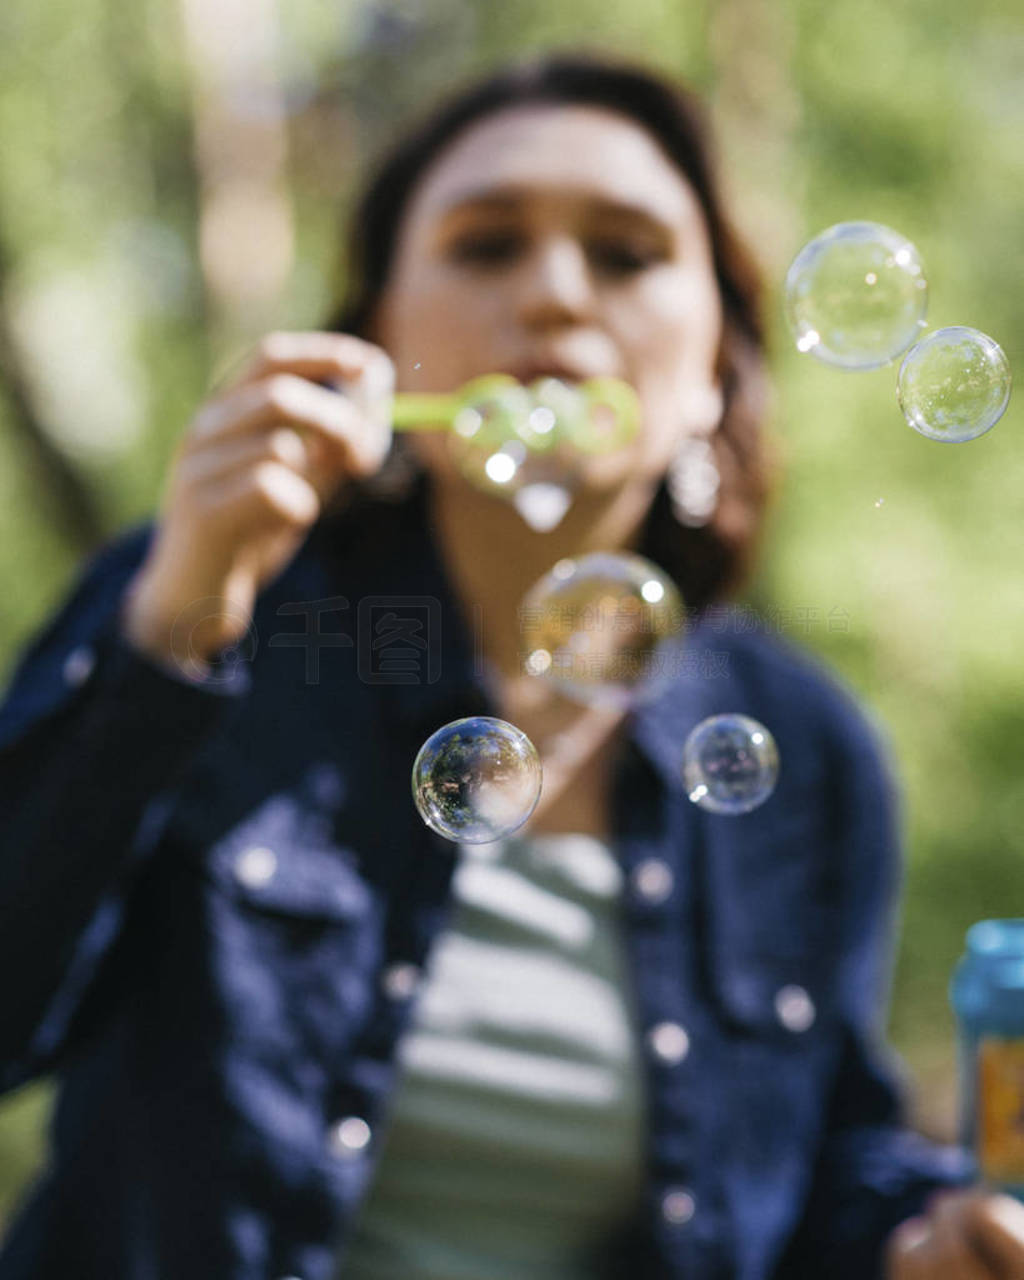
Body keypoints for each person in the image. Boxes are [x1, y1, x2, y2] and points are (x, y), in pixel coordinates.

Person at [0, 51, 1021, 1280]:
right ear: (375, 337)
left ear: (711, 372)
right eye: (485, 245)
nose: (552, 293)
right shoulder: (207, 613)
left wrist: (915, 1246)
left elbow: (813, 1168)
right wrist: (167, 631)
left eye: (627, 253)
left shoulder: (803, 743)